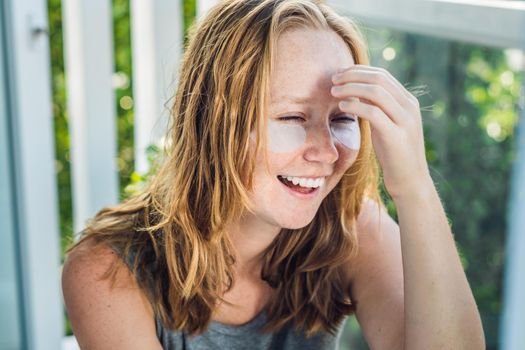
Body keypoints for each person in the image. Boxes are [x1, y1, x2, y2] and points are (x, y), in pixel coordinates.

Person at [61, 0, 485, 349]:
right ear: (214, 123)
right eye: (293, 116)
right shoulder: (105, 272)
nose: (326, 152)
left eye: (341, 119)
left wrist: (413, 187)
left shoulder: (351, 227)